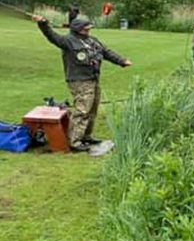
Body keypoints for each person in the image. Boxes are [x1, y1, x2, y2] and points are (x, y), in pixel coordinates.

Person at [32, 14, 132, 152]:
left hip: (93, 79)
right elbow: (51, 36)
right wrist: (43, 24)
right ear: (78, 29)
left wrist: (122, 61)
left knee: (92, 110)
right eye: (86, 28)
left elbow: (106, 52)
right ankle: (74, 141)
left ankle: (86, 136)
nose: (88, 30)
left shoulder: (92, 41)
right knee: (82, 110)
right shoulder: (67, 41)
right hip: (79, 81)